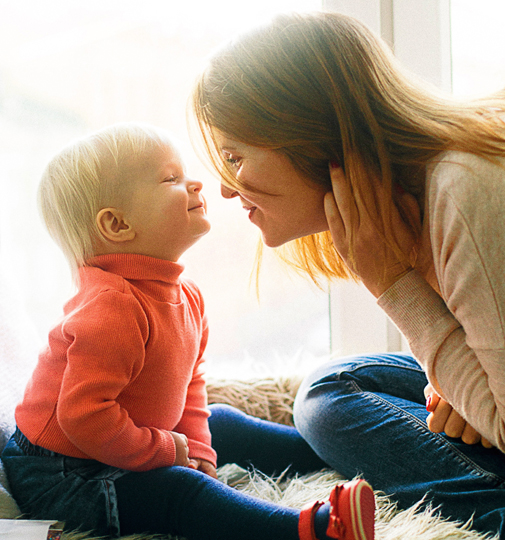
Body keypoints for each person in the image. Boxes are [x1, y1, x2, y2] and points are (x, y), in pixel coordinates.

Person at [191, 10, 505, 539]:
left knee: (327, 402)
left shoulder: (462, 190)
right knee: (332, 389)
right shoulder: (420, 198)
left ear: (308, 134)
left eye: (234, 156)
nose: (225, 187)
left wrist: (393, 286)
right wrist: (456, 388)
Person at [1, 122, 375, 540]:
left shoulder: (187, 297)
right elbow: (83, 417)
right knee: (182, 491)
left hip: (118, 439)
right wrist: (162, 452)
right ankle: (312, 529)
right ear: (118, 225)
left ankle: (343, 453)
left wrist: (197, 449)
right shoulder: (111, 309)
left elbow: (190, 386)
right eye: (172, 179)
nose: (196, 182)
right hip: (61, 473)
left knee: (223, 421)